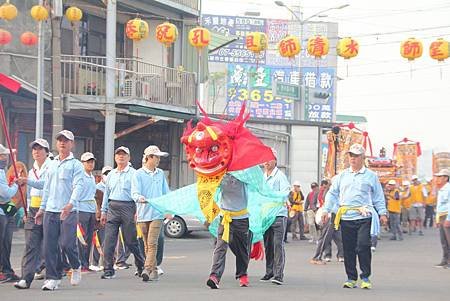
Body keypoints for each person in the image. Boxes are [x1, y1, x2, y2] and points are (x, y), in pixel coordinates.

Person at [322, 143, 387, 290]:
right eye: (351, 155)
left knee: (363, 245)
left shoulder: (371, 176)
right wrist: (326, 210)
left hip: (364, 216)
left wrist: (382, 213)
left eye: (356, 156)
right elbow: (332, 193)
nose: (353, 158)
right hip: (346, 217)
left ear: (363, 158)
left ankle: (365, 276)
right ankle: (351, 277)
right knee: (348, 248)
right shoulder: (342, 176)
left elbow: (378, 196)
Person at [34, 130, 84, 291]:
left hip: (68, 210)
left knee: (67, 244)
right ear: (56, 144)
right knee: (49, 246)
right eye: (60, 140)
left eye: (66, 140)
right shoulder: (52, 163)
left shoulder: (76, 164)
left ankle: (76, 265)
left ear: (72, 144)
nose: (62, 143)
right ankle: (52, 278)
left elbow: (79, 186)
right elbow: (47, 188)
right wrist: (42, 208)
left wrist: (71, 203)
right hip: (51, 210)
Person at [100, 146, 145, 279]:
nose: (121, 157)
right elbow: (106, 194)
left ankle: (140, 264)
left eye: (124, 155)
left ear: (129, 158)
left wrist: (138, 208)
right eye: (118, 154)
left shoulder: (134, 174)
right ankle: (108, 269)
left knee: (130, 241)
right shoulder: (111, 174)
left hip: (128, 207)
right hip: (112, 207)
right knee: (108, 241)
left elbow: (136, 192)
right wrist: (103, 211)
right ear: (115, 157)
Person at [14, 139, 51, 289]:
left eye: (40, 149)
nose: (36, 151)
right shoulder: (31, 170)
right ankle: (25, 278)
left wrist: (27, 181)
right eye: (34, 149)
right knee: (31, 245)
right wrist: (27, 210)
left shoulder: (52, 167)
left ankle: (52, 275)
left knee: (50, 245)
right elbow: (29, 194)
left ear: (47, 152)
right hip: (33, 210)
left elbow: (46, 184)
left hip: (49, 209)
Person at [206, 173, 252, 289]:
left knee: (241, 248)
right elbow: (211, 185)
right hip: (225, 217)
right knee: (220, 246)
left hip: (241, 217)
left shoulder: (245, 172)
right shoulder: (221, 173)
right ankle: (214, 276)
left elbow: (253, 180)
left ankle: (242, 274)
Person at [131, 145, 170, 282]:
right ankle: (153, 271)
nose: (158, 159)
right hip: (142, 214)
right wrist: (140, 198)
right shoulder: (138, 174)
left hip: (157, 214)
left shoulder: (160, 173)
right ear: (149, 158)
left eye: (159, 157)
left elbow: (166, 192)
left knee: (152, 243)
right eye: (156, 157)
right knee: (146, 244)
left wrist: (168, 209)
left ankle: (146, 269)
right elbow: (134, 192)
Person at [261, 149, 290, 285]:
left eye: (269, 159)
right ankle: (269, 271)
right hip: (266, 215)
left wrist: (272, 196)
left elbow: (285, 193)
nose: (266, 162)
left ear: (275, 161)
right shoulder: (262, 176)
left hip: (278, 214)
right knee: (268, 244)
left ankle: (279, 274)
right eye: (264, 159)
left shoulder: (280, 176)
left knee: (278, 244)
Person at [0, 144, 18, 284]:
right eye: (4, 155)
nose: (6, 158)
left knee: (5, 244)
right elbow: (5, 193)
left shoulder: (2, 171)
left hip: (4, 211)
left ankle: (6, 270)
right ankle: (3, 271)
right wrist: (16, 186)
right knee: (2, 244)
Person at [78, 152, 98, 272]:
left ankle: (86, 263)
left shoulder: (92, 177)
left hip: (90, 210)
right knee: (82, 238)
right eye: (88, 162)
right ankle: (81, 263)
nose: (90, 164)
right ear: (82, 163)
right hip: (81, 209)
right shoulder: (80, 176)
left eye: (92, 162)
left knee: (89, 238)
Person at [90, 166, 112, 272]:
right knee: (98, 240)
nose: (107, 175)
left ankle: (106, 263)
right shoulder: (97, 188)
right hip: (101, 217)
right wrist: (98, 215)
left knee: (108, 241)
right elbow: (97, 204)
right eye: (106, 173)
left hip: (112, 216)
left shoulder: (114, 186)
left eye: (109, 173)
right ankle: (95, 262)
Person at [433, 169, 450, 268]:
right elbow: (439, 206)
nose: (437, 179)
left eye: (440, 177)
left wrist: (448, 219)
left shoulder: (448, 188)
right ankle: (445, 259)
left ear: (446, 178)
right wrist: (437, 219)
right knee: (443, 240)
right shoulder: (442, 189)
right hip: (442, 215)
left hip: (447, 215)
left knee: (449, 240)